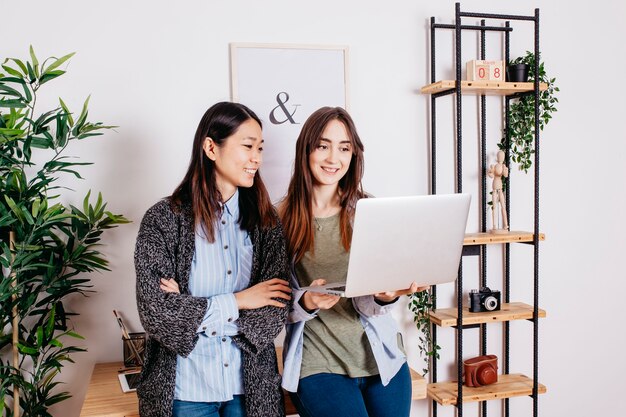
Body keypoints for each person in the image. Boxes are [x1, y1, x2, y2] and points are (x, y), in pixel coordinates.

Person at [135, 102, 292, 417]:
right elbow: (156, 314)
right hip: (185, 392)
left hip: (249, 390)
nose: (256, 159)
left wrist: (191, 311)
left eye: (260, 148)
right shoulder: (163, 219)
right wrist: (240, 301)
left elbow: (275, 307)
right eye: (247, 147)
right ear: (210, 147)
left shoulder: (266, 222)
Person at [278, 106, 427, 417]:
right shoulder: (280, 219)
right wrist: (306, 301)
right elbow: (270, 303)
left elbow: (376, 297)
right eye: (323, 146)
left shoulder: (368, 210)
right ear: (306, 150)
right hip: (319, 364)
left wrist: (384, 296)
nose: (334, 159)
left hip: (380, 359)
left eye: (344, 148)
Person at [487, 149, 509, 232]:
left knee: (503, 206)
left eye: (502, 156)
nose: (501, 158)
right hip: (495, 187)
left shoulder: (503, 166)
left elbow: (506, 175)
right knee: (495, 206)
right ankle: (494, 225)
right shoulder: (495, 166)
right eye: (499, 156)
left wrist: (505, 170)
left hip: (500, 187)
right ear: (497, 157)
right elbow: (491, 175)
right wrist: (490, 171)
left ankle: (505, 225)